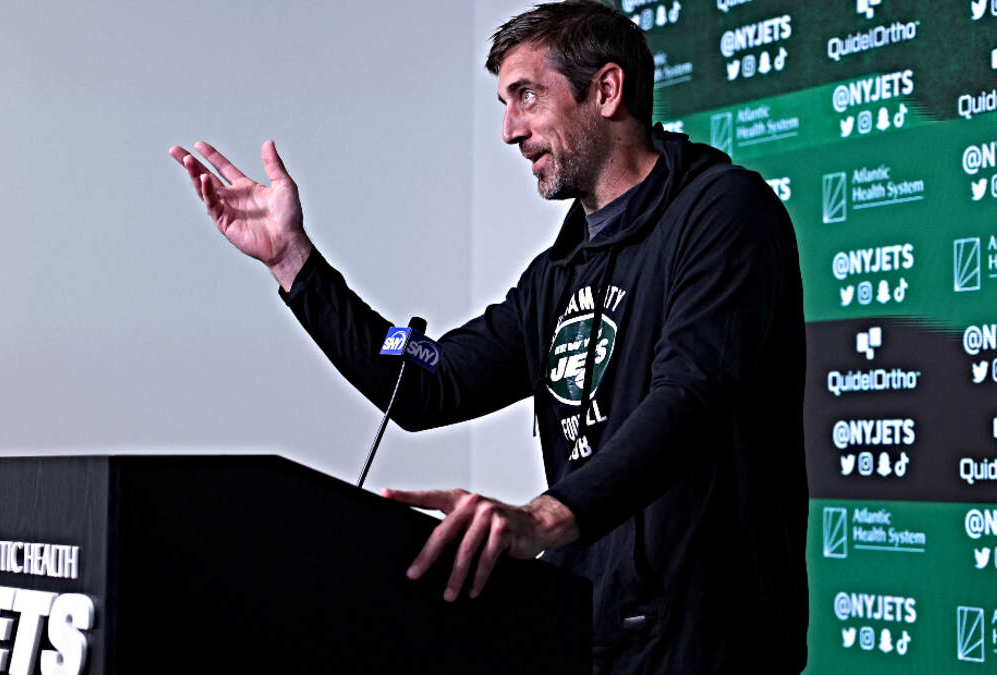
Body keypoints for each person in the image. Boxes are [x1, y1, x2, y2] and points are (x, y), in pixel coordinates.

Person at [169, 2, 807, 672]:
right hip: (590, 638)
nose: (509, 131)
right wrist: (294, 262)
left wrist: (543, 518)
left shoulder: (724, 213)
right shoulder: (557, 274)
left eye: (526, 96)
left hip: (709, 645)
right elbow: (427, 381)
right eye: (505, 104)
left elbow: (691, 396)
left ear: (606, 90)